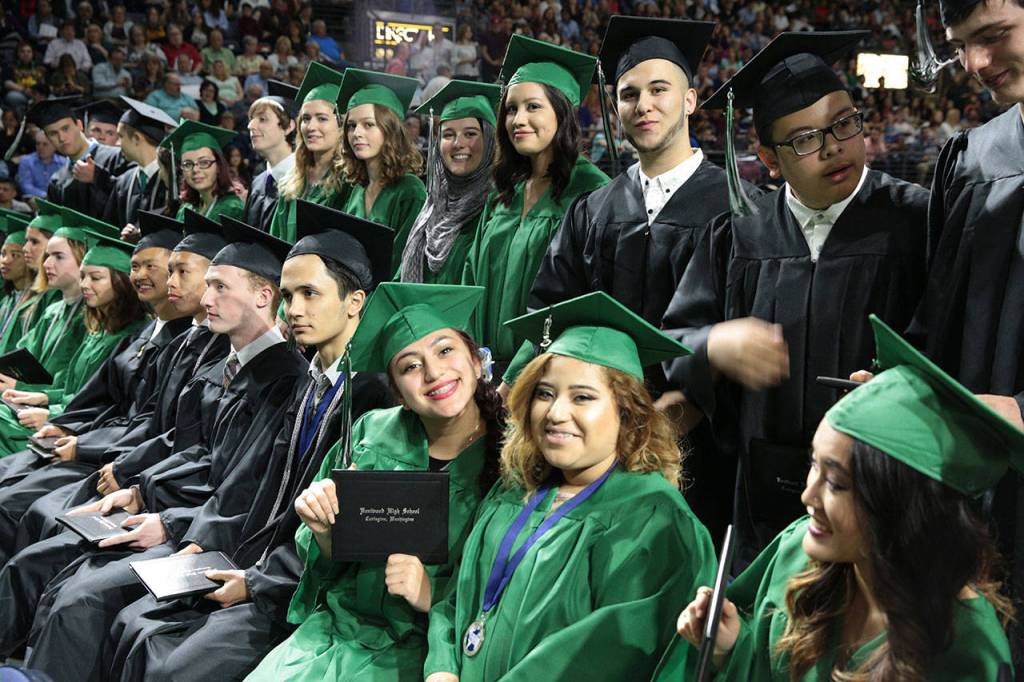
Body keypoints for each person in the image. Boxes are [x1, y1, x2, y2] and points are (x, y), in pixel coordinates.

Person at [660, 32, 929, 564]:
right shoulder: (736, 235)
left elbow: (950, 344)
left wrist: (905, 382)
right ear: (768, 158)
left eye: (844, 123)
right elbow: (673, 343)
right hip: (763, 493)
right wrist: (713, 344)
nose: (833, 147)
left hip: (882, 483)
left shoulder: (916, 221)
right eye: (805, 139)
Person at [0, 220, 307, 680]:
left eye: (218, 287)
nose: (204, 300)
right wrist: (140, 489)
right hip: (175, 508)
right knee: (58, 568)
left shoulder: (283, 380)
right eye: (206, 287)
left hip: (209, 535)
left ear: (264, 296)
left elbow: (245, 491)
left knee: (81, 598)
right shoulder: (227, 361)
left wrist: (165, 519)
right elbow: (194, 449)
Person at [108, 202, 397, 681]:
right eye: (288, 295)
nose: (296, 310)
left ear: (356, 301)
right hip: (256, 565)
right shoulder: (311, 384)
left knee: (170, 665)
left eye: (310, 293)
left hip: (304, 592)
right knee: (133, 625)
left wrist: (257, 581)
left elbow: (338, 531)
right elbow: (261, 489)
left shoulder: (369, 400)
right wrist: (212, 549)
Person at [662, 315, 1018, 680]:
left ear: (899, 503)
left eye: (836, 483)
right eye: (813, 466)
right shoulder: (796, 552)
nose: (806, 495)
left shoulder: (970, 652)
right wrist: (730, 648)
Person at [424, 291, 716, 680]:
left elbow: (614, 659)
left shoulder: (654, 520)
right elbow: (458, 598)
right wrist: (442, 669)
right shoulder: (513, 491)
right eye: (545, 394)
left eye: (583, 397)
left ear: (627, 414)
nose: (556, 413)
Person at [241, 280, 500, 681]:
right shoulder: (370, 433)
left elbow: (509, 591)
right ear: (397, 390)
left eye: (446, 350)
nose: (433, 372)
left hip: (426, 648)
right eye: (409, 366)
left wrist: (430, 595)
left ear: (476, 360)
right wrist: (325, 531)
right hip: (336, 630)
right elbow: (330, 561)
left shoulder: (509, 459)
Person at [907, 0, 1024, 658]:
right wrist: (906, 386)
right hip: (978, 506)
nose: (976, 65)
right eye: (962, 47)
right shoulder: (971, 160)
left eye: (995, 35)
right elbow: (936, 324)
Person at [0, 213, 193, 565]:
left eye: (153, 266)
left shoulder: (182, 345)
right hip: (97, 445)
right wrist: (65, 424)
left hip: (114, 459)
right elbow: (103, 398)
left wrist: (80, 442)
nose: (140, 275)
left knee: (19, 508)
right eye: (135, 266)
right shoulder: (145, 336)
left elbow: (151, 422)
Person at [461, 35, 609, 373]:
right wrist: (470, 361)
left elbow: (575, 300)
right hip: (482, 369)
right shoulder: (503, 191)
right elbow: (470, 280)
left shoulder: (592, 192)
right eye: (511, 109)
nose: (517, 120)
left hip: (547, 373)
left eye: (533, 107)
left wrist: (513, 378)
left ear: (562, 111)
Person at [0, 210, 146, 457]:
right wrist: (42, 396)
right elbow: (73, 388)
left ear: (121, 282)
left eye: (95, 277)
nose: (86, 285)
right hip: (58, 415)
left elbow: (106, 405)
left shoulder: (131, 338)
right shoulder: (95, 328)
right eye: (84, 277)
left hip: (75, 431)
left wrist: (50, 409)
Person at [400, 80, 500, 284]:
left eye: (470, 134)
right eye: (448, 135)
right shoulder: (432, 207)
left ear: (490, 140)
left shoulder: (498, 209)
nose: (458, 144)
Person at [335, 67, 427, 271]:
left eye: (368, 125)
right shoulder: (357, 187)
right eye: (351, 126)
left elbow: (405, 263)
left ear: (390, 130)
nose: (356, 133)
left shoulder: (410, 190)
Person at [267, 63, 350, 242]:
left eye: (322, 118)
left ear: (341, 124)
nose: (311, 127)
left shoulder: (350, 183)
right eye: (305, 119)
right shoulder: (292, 182)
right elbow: (275, 240)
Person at [25, 97, 130, 217]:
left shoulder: (117, 158)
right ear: (48, 138)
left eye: (65, 128)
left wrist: (99, 178)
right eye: (53, 133)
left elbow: (133, 203)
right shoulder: (57, 180)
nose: (62, 138)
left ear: (80, 125)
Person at [104, 97, 178, 230]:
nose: (117, 143)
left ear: (137, 138)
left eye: (121, 136)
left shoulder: (173, 180)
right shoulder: (123, 182)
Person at [0, 201, 63, 355]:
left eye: (34, 242)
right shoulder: (10, 300)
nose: (26, 248)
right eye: (3, 254)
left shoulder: (57, 298)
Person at [160, 119, 245, 221]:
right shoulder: (185, 210)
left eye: (204, 162)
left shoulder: (232, 210)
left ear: (218, 166)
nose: (195, 169)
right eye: (188, 164)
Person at [245, 81, 297, 232]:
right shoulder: (258, 183)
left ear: (288, 127)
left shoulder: (304, 182)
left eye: (262, 119)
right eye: (251, 119)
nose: (250, 126)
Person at [16, 131, 66, 202]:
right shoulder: (26, 161)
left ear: (54, 146)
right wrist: (45, 196)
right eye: (38, 144)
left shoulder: (63, 163)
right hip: (34, 198)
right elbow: (26, 186)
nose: (40, 147)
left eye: (45, 144)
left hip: (56, 200)